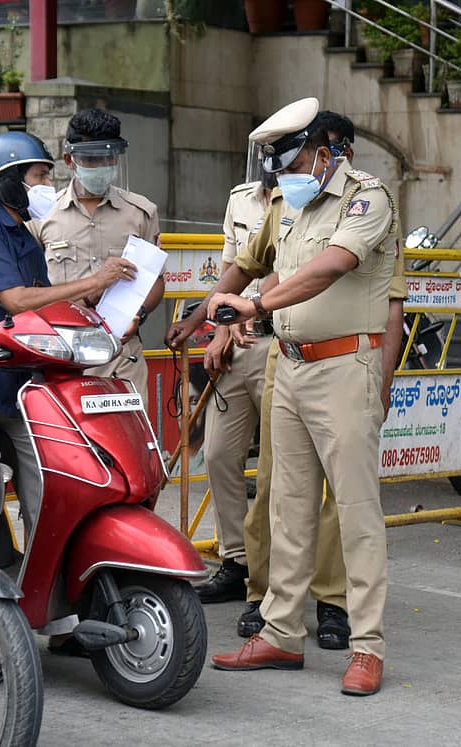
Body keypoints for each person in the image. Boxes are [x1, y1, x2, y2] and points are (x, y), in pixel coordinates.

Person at [203, 97, 399, 696]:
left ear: (323, 152)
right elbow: (248, 259)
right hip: (288, 367)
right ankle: (281, 633)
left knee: (356, 511)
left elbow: (332, 266)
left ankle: (367, 645)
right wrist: (208, 310)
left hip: (345, 366)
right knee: (286, 507)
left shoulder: (368, 197)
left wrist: (256, 306)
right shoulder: (291, 200)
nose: (283, 175)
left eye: (292, 160)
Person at [0, 130, 136, 545]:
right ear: (8, 180)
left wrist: (93, 305)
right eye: (38, 177)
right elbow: (18, 300)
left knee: (48, 485)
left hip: (17, 383)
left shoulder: (23, 234)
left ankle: (47, 588)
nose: (47, 188)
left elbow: (41, 302)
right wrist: (93, 278)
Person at [29, 108, 164, 407]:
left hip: (122, 357)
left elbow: (155, 283)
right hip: (64, 359)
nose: (102, 166)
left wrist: (138, 315)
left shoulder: (141, 213)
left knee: (134, 444)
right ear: (70, 160)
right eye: (92, 159)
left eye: (108, 157)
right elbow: (31, 291)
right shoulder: (43, 218)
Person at [193, 169, 276, 604]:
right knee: (221, 452)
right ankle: (236, 559)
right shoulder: (241, 199)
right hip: (239, 345)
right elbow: (231, 269)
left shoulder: (306, 201)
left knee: (281, 467)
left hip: (281, 341)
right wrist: (219, 332)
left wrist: (253, 311)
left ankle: (276, 569)